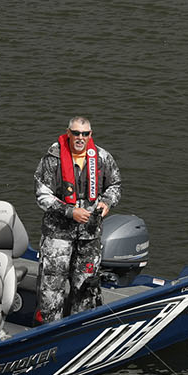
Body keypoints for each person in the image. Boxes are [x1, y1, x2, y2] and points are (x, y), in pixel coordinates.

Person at [33, 115, 122, 323]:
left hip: (89, 236)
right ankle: (48, 331)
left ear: (90, 134)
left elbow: (115, 185)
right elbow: (42, 195)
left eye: (85, 134)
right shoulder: (51, 159)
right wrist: (69, 211)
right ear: (68, 133)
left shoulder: (102, 158)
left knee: (85, 287)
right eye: (75, 133)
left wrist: (107, 202)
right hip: (58, 235)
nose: (80, 138)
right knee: (51, 287)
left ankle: (80, 329)